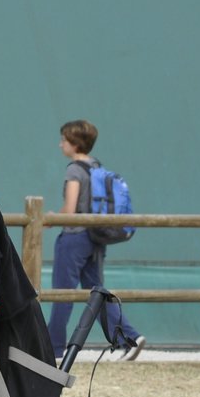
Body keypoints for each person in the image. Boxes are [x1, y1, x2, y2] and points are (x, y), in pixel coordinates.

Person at [45, 119, 144, 361]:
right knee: (97, 293)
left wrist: (49, 218)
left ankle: (52, 347)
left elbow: (70, 209)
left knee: (62, 293)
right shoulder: (97, 167)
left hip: (74, 238)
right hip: (95, 236)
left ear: (74, 143)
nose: (60, 145)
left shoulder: (74, 170)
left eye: (64, 141)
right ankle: (128, 338)